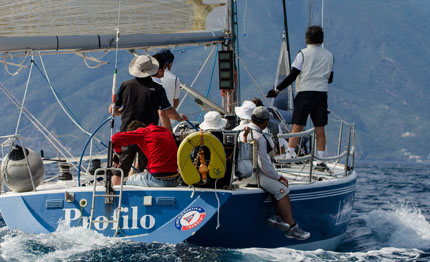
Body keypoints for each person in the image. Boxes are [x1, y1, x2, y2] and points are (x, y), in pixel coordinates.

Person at [108, 55, 187, 184]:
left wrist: (121, 111)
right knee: (145, 168)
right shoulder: (157, 89)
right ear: (151, 70)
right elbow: (167, 111)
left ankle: (114, 198)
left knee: (120, 169)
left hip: (127, 133)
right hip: (148, 137)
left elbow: (113, 110)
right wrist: (179, 117)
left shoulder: (125, 85)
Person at [266, 25, 334, 170]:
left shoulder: (302, 54)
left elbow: (292, 76)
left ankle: (290, 155)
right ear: (322, 39)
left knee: (297, 125)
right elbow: (330, 78)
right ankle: (321, 160)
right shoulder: (329, 55)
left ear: (306, 38)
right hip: (321, 94)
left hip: (304, 93)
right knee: (319, 128)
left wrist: (276, 90)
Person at [239, 106, 310, 240]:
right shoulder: (259, 137)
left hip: (243, 172)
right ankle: (292, 227)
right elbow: (263, 164)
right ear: (265, 121)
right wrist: (279, 177)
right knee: (282, 189)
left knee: (277, 185)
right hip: (255, 174)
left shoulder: (243, 131)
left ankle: (278, 215)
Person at [111, 120, 180, 187]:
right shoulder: (164, 131)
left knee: (130, 180)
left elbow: (114, 138)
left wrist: (119, 152)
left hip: (157, 180)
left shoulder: (143, 132)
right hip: (175, 180)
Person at [153, 49, 181, 133]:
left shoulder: (150, 76)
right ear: (169, 64)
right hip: (167, 123)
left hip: (150, 120)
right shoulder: (175, 78)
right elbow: (175, 102)